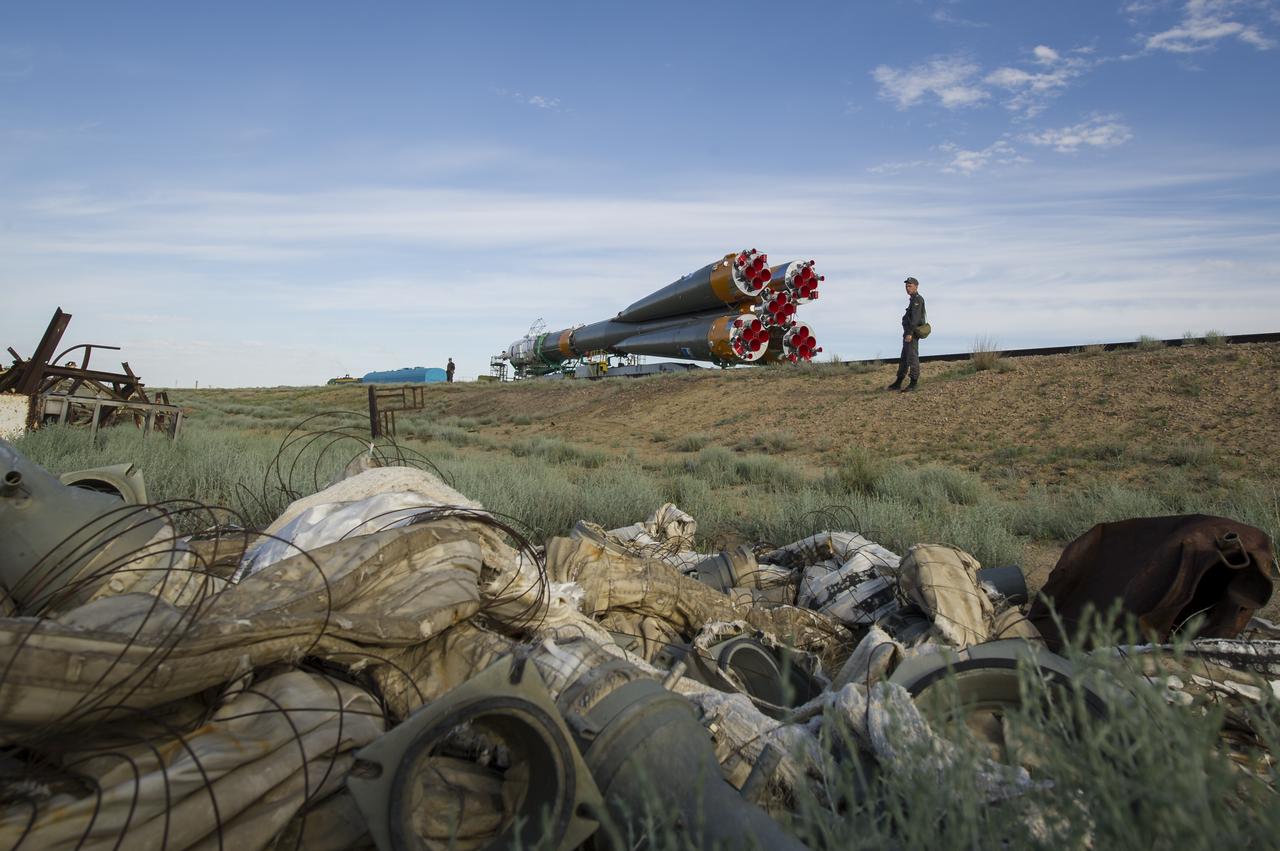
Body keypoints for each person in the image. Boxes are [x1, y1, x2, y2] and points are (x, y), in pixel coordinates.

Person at [887, 277, 926, 392]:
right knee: (904, 358)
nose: (907, 288)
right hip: (908, 334)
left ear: (916, 286)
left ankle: (913, 383)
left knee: (912, 357)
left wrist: (909, 333)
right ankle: (898, 382)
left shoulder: (917, 300)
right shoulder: (913, 299)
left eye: (910, 286)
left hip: (911, 334)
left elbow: (915, 319)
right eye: (906, 286)